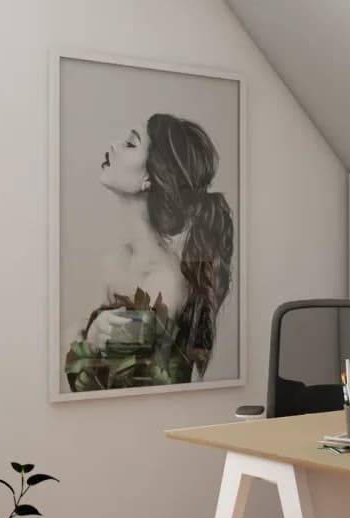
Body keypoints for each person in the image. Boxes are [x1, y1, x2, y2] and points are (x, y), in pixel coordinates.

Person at [65, 113, 234, 391]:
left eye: (131, 143)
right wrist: (88, 338)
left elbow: (113, 386)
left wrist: (87, 341)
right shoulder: (115, 260)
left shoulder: (164, 282)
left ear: (149, 178)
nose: (114, 145)